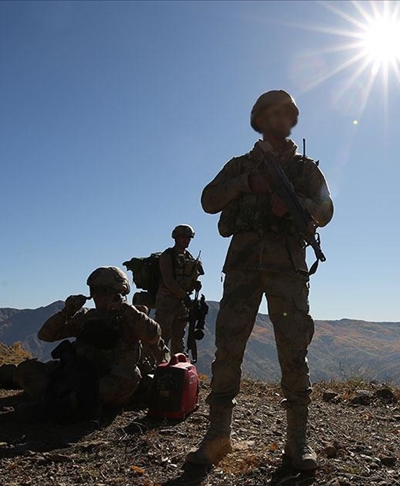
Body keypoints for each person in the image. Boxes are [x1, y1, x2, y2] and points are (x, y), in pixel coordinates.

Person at [186, 90, 334, 470]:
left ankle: (297, 442)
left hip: (287, 268)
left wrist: (297, 205)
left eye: (287, 113)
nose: (280, 118)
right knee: (228, 349)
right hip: (243, 267)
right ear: (259, 118)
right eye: (272, 112)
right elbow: (208, 200)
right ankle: (218, 435)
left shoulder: (304, 169)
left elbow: (327, 210)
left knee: (293, 349)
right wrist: (247, 184)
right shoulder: (239, 165)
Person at [26, 266, 165, 422]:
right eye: (94, 291)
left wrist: (125, 308)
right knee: (28, 370)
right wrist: (67, 312)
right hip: (81, 372)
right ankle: (65, 399)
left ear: (117, 292)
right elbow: (45, 335)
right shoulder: (87, 317)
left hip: (111, 378)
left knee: (129, 378)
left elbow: (153, 335)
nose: (97, 297)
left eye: (103, 291)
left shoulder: (131, 316)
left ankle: (64, 404)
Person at [155, 224, 203, 356]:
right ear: (176, 238)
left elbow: (188, 279)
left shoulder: (189, 257)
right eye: (183, 237)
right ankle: (156, 365)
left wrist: (195, 284)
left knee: (178, 336)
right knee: (162, 335)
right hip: (167, 301)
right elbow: (168, 281)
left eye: (188, 238)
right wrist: (183, 296)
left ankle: (177, 365)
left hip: (182, 303)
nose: (186, 240)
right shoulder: (167, 255)